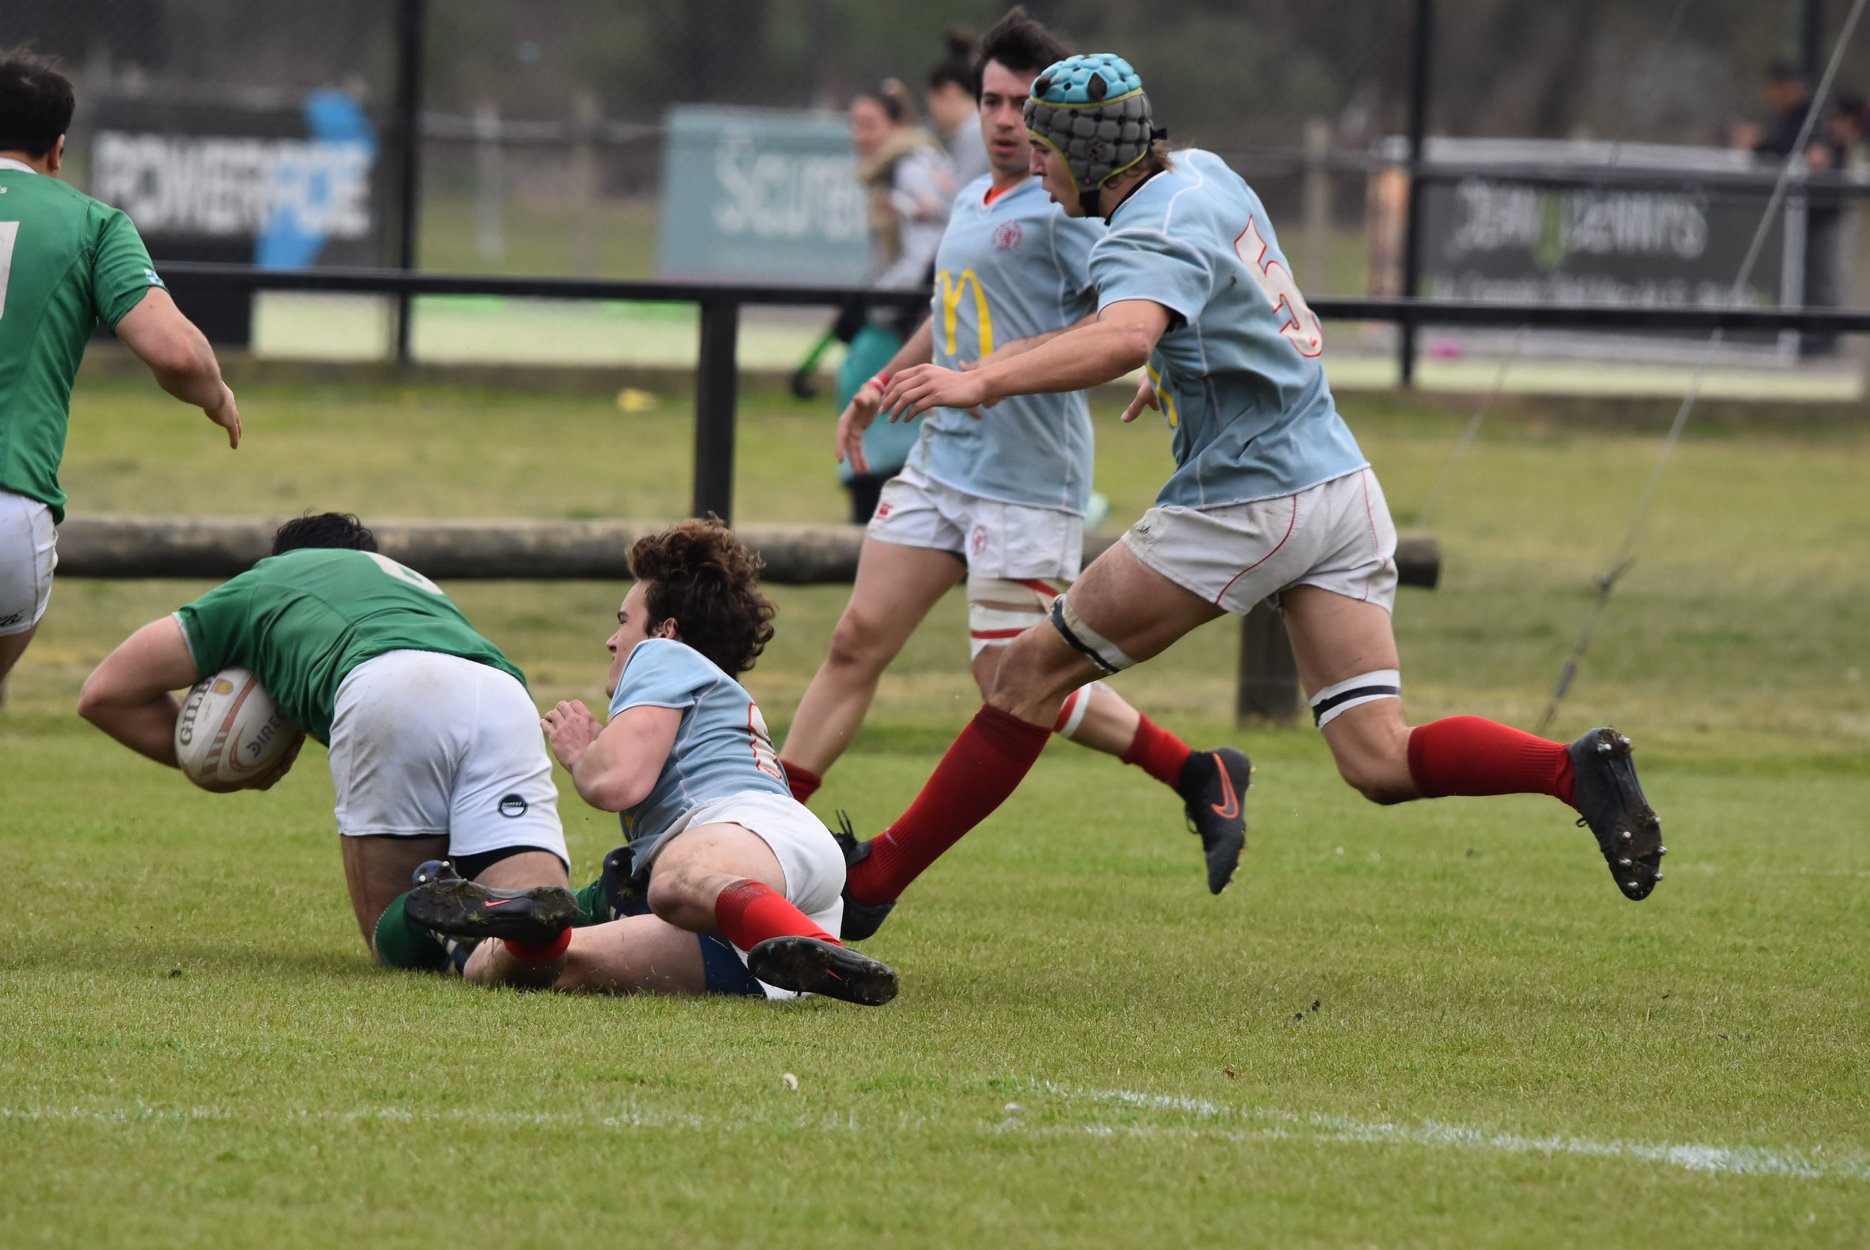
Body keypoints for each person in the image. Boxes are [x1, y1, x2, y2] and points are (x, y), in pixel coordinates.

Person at [848, 53, 1665, 929]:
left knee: (1021, 676)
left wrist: (982, 384)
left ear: (1085, 157)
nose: (1033, 169)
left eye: (1044, 151)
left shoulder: (1139, 233)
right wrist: (1177, 364)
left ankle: (872, 886)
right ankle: (1569, 768)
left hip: (1247, 502)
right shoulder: (1203, 173)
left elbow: (1123, 331)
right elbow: (1218, 304)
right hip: (1340, 488)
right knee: (1376, 758)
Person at [783, 9, 1250, 940]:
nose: (1001, 120)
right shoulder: (972, 194)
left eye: (1017, 106)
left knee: (1012, 674)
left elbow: (1140, 303)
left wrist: (1157, 369)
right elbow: (950, 307)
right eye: (991, 100)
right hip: (940, 463)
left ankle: (1197, 770)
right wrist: (885, 379)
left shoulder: (1068, 208)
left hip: (1026, 475)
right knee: (853, 642)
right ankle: (768, 821)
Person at [405, 520, 899, 1005]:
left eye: (624, 622)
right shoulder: (707, 690)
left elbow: (616, 783)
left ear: (666, 630)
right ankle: (535, 929)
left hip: (748, 840)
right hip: (761, 913)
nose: (613, 641)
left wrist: (582, 755)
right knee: (526, 968)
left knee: (673, 884)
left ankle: (832, 958)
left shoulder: (662, 654)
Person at [74, 513, 575, 972]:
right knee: (540, 924)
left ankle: (434, 905)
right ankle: (601, 904)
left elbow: (106, 693)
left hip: (388, 685)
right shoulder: (414, 585)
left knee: (392, 938)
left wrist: (223, 765)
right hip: (503, 693)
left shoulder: (268, 580)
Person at [0, 51, 241, 686]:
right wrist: (215, 395)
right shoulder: (91, 224)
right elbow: (176, 354)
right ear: (57, 149)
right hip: (9, 505)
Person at [836, 81, 956, 523]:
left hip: (907, 321)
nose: (860, 135)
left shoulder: (909, 168)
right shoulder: (901, 166)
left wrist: (877, 305)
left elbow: (924, 251)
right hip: (904, 312)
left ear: (899, 124)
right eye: (855, 124)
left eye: (870, 124)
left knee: (880, 412)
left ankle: (870, 523)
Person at [926, 27, 991, 187]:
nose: (932, 112)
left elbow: (963, 198)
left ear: (950, 92)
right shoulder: (975, 128)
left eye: (932, 103)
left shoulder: (974, 132)